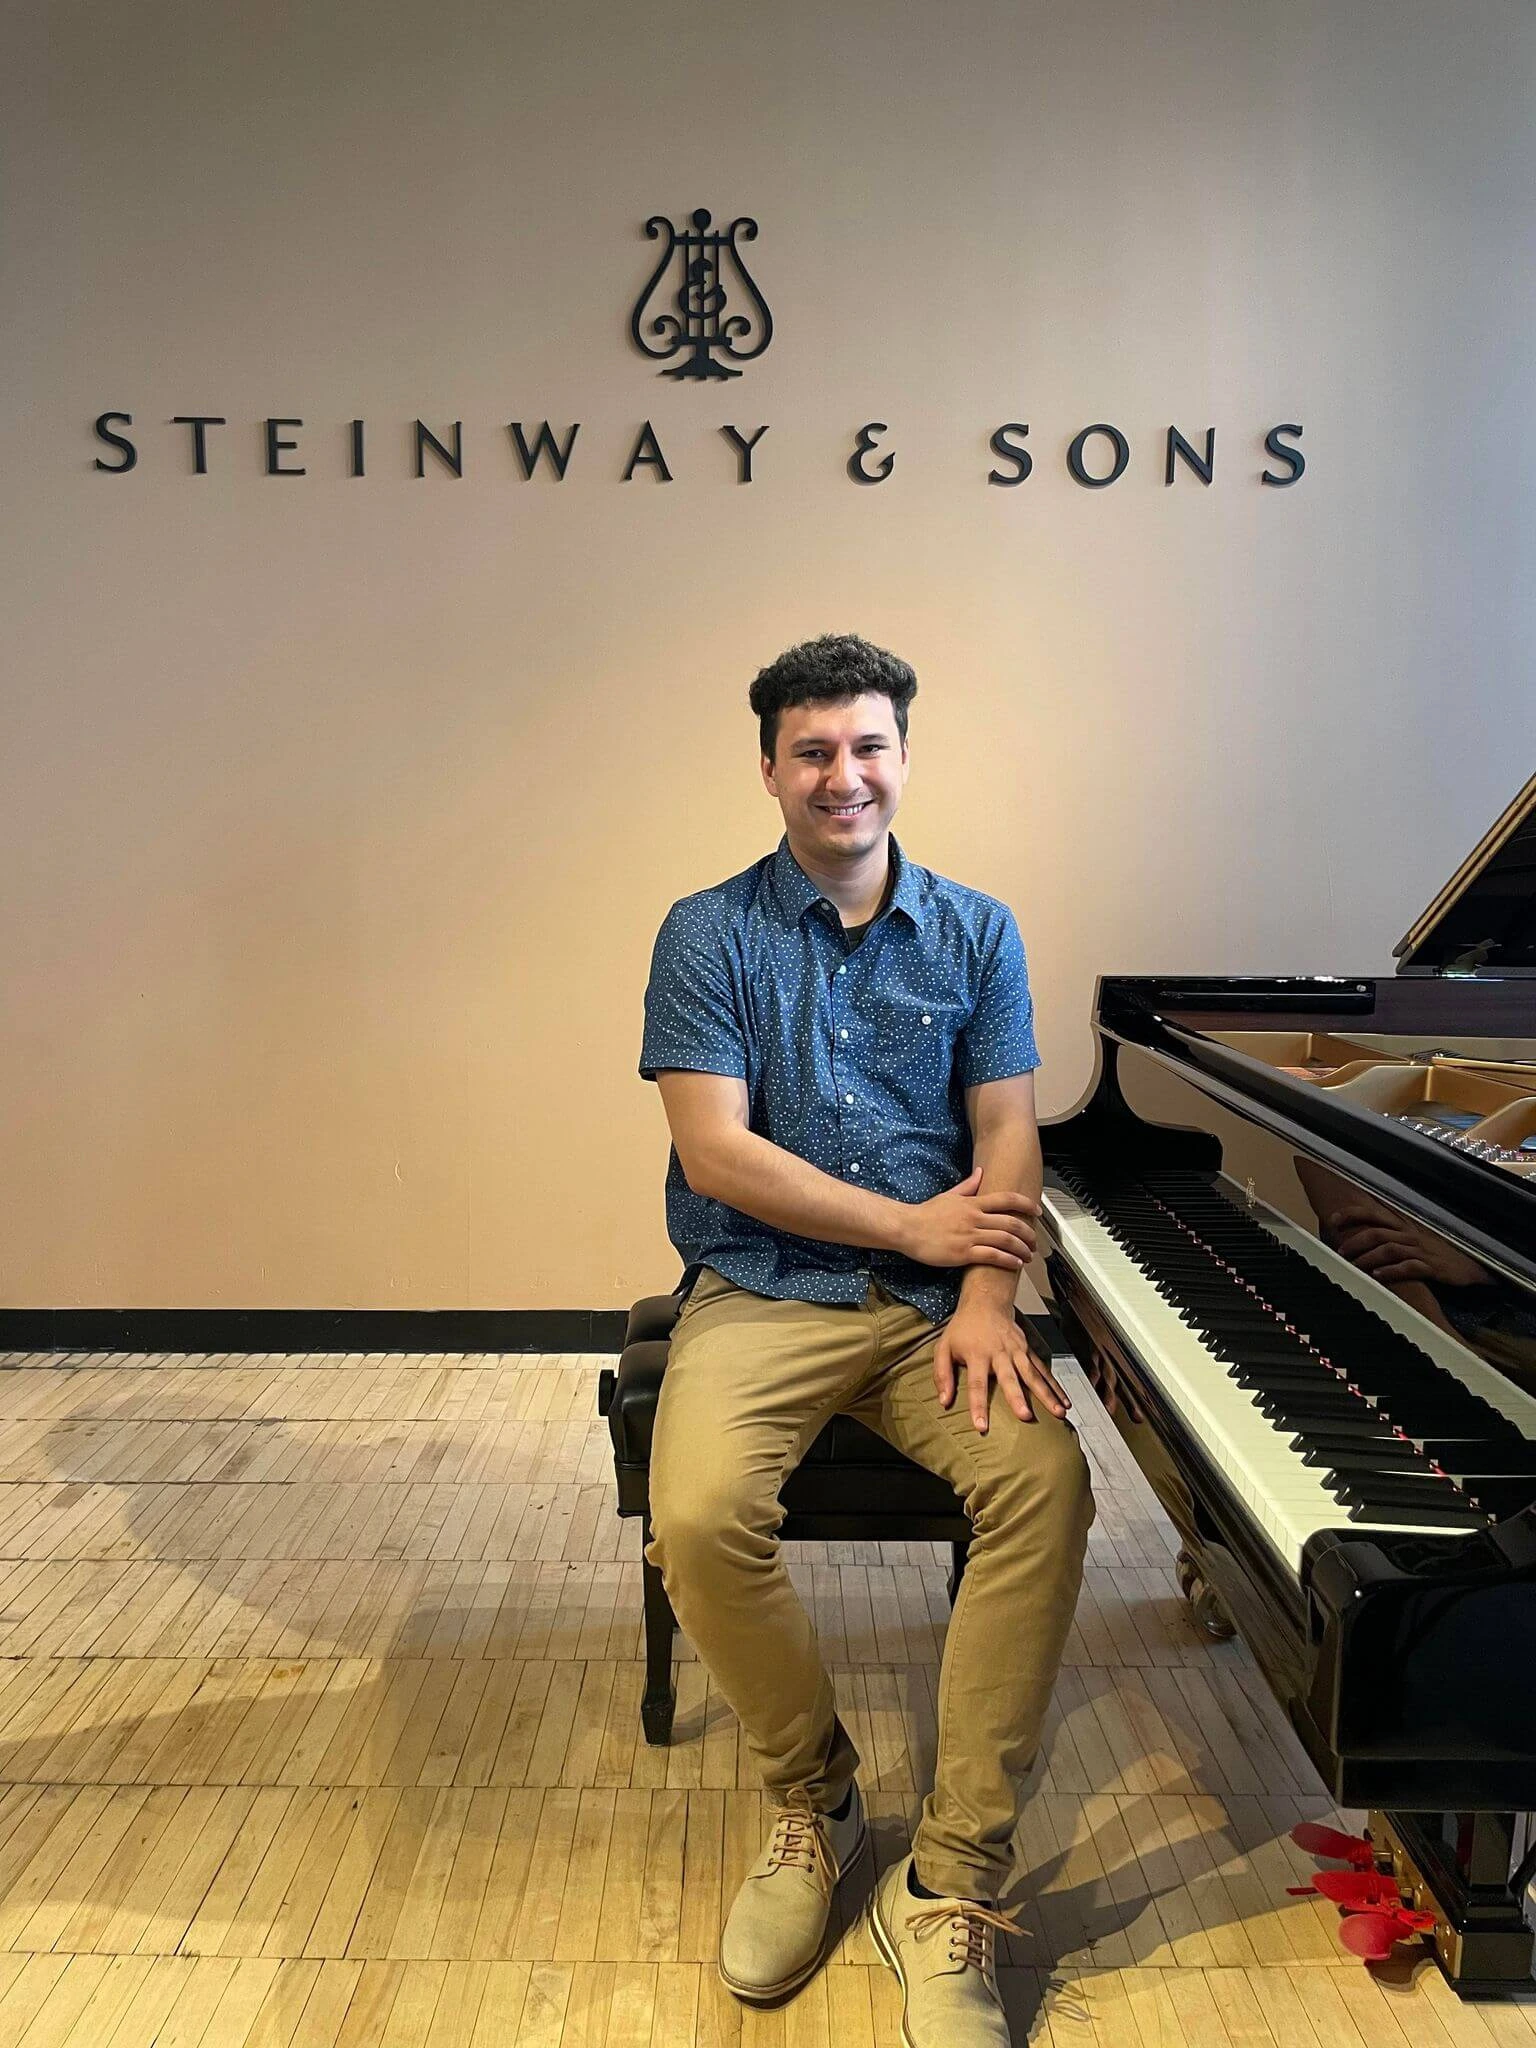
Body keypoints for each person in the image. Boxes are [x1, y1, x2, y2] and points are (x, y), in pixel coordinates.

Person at [638, 633, 1094, 2047]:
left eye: (870, 747)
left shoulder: (979, 929)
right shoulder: (706, 931)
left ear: (904, 756)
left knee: (1047, 1485)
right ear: (770, 768)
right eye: (815, 751)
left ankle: (950, 1880)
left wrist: (979, 1295)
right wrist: (911, 1232)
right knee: (701, 1514)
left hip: (925, 1314)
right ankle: (814, 1796)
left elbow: (1007, 1128)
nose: (846, 776)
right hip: (765, 1286)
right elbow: (716, 1155)